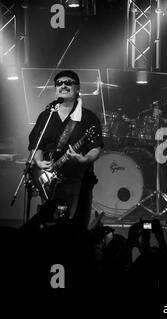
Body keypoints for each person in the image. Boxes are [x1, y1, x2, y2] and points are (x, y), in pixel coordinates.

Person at [28, 70, 103, 228]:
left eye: (68, 83)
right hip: (48, 179)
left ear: (77, 88)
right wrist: (39, 162)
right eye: (59, 83)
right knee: (48, 222)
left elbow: (95, 147)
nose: (63, 85)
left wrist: (85, 159)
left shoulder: (88, 117)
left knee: (73, 226)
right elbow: (36, 144)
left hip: (77, 180)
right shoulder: (46, 115)